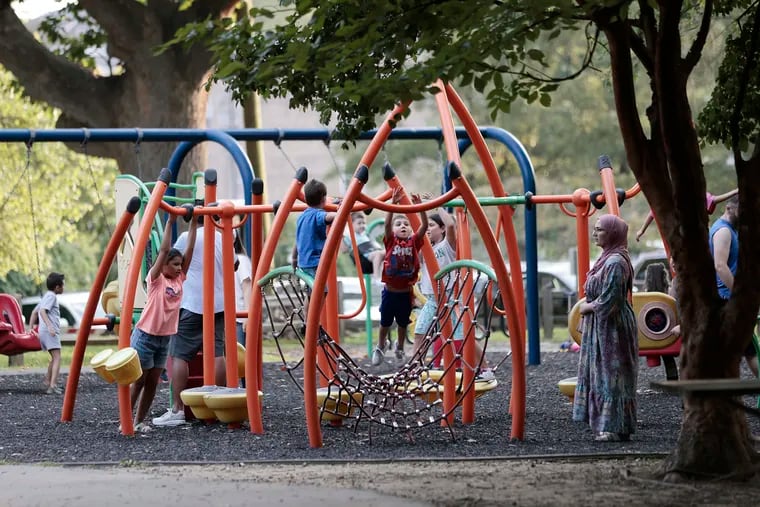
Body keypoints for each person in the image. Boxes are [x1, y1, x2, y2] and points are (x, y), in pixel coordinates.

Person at [153, 214, 227, 428]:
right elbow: (233, 265)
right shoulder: (224, 236)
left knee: (179, 354)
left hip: (194, 301)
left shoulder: (186, 236)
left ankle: (177, 409)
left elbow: (173, 259)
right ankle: (220, 402)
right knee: (217, 352)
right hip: (220, 302)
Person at [410, 202, 493, 379]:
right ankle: (414, 369)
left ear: (441, 230)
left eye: (432, 226)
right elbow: (418, 235)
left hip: (450, 298)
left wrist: (436, 204)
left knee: (464, 335)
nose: (428, 229)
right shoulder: (425, 250)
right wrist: (420, 210)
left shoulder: (447, 245)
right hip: (432, 299)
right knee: (420, 332)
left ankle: (485, 369)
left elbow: (450, 224)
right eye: (428, 226)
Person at [573, 214, 638, 442]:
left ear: (612, 233)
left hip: (613, 329)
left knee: (613, 374)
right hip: (602, 327)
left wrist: (587, 307)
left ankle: (614, 426)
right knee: (603, 374)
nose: (594, 233)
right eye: (595, 228)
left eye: (600, 229)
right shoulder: (606, 258)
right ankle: (610, 425)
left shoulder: (616, 262)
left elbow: (611, 301)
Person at [129, 214, 196, 432]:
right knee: (139, 380)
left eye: (180, 265)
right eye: (175, 264)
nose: (179, 268)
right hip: (145, 336)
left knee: (152, 384)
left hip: (164, 339)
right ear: (164, 265)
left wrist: (194, 222)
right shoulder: (156, 280)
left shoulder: (179, 279)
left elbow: (190, 252)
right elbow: (165, 251)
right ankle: (126, 420)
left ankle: (139, 421)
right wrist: (170, 222)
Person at [372, 188, 427, 365]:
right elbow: (387, 225)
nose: (403, 226)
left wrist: (421, 208)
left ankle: (400, 347)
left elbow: (423, 227)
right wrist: (392, 206)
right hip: (390, 292)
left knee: (403, 324)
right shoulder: (390, 241)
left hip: (405, 293)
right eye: (399, 224)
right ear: (393, 230)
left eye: (406, 224)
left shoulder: (414, 242)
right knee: (385, 323)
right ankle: (381, 346)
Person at [709, 195, 759, 377]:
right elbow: (720, 265)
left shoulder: (731, 230)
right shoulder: (723, 232)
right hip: (727, 299)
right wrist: (739, 295)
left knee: (746, 350)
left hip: (730, 299)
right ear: (729, 208)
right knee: (749, 350)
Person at [291, 179, 338, 321]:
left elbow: (298, 240)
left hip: (304, 262)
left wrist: (294, 259)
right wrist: (341, 210)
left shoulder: (302, 216)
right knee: (321, 292)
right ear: (324, 198)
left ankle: (307, 319)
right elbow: (333, 217)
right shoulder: (318, 215)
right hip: (315, 262)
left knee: (310, 293)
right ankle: (313, 320)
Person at [636, 188, 738, 242]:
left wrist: (734, 191)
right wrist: (642, 230)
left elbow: (713, 200)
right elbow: (653, 212)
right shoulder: (668, 199)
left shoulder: (692, 194)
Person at [37, 272, 66, 394]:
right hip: (49, 331)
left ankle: (49, 381)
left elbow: (38, 310)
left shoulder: (47, 295)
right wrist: (50, 327)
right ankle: (52, 385)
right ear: (57, 287)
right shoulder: (52, 296)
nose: (63, 288)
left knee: (54, 357)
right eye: (62, 286)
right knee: (57, 357)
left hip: (44, 331)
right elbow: (43, 311)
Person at [340, 211, 385, 282]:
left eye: (364, 223)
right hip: (363, 258)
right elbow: (344, 250)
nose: (362, 225)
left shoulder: (366, 235)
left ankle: (387, 275)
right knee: (379, 254)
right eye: (359, 223)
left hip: (372, 254)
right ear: (351, 225)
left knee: (387, 252)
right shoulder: (350, 235)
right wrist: (341, 237)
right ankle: (376, 278)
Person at [233, 230, 252, 387]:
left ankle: (246, 389)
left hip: (238, 315)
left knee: (241, 356)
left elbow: (247, 286)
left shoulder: (240, 260)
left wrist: (247, 315)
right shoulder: (219, 257)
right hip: (226, 315)